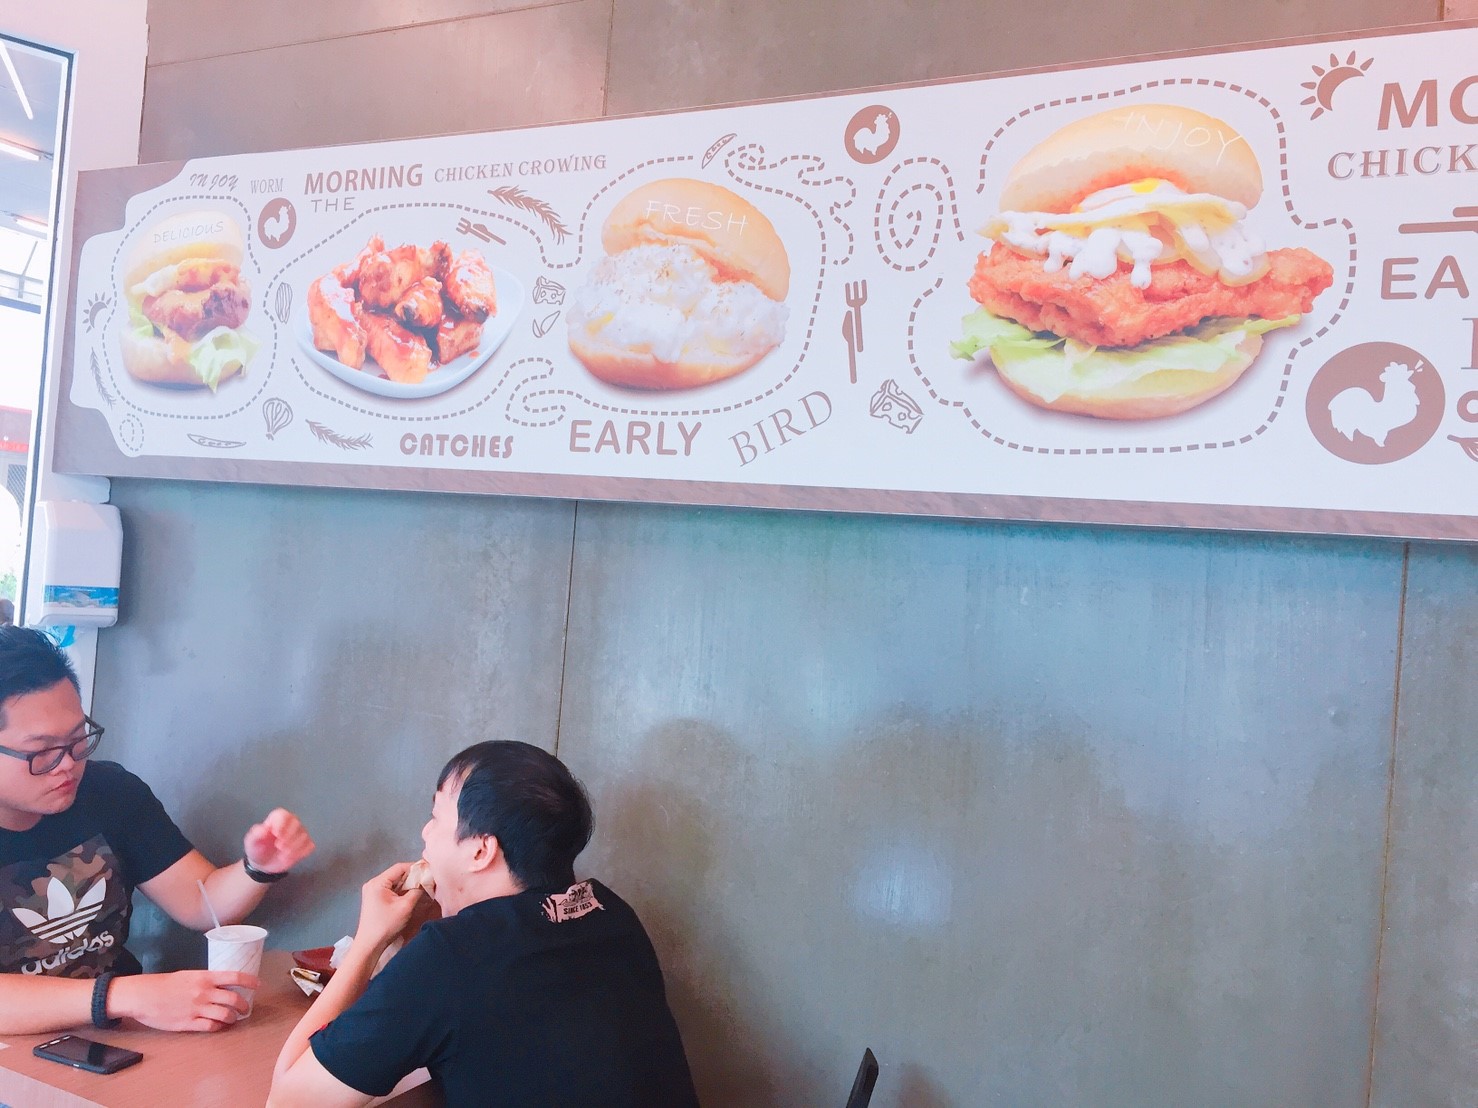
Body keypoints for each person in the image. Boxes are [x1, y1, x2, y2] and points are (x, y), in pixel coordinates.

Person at [269, 740, 699, 1108]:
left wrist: (369, 940)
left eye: (437, 817)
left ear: (480, 851)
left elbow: (289, 1100)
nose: (425, 834)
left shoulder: (451, 955)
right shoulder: (612, 915)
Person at [0, 625, 316, 1035]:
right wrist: (122, 995)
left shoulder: (111, 793)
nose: (68, 765)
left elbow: (200, 903)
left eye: (78, 739)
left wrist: (258, 868)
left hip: (114, 1034)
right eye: (42, 752)